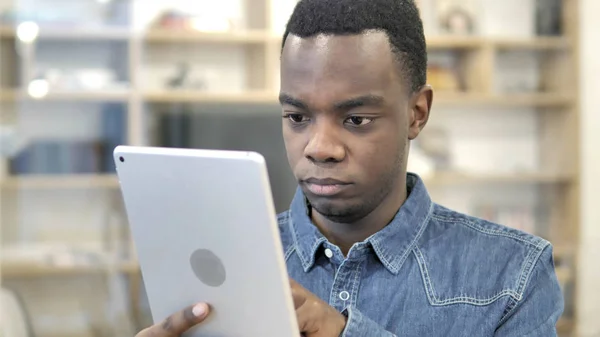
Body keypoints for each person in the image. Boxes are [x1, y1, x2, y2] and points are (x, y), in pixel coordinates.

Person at [136, 0, 565, 336]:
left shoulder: (512, 273)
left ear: (417, 113)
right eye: (298, 118)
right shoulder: (217, 269)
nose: (320, 148)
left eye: (356, 119)